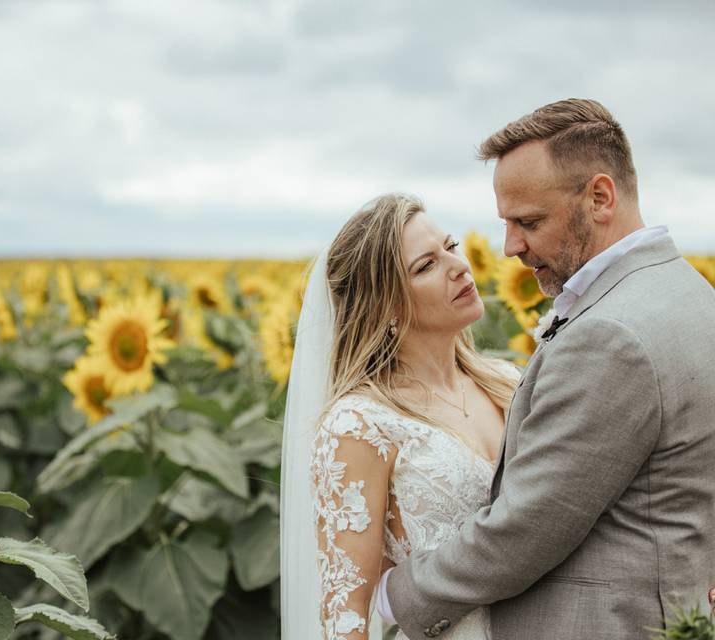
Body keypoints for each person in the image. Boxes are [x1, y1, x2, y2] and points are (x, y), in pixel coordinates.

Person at [376, 99, 715, 639]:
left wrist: (396, 597)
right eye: (506, 222)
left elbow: (529, 527)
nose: (510, 246)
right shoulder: (690, 291)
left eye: (529, 221)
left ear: (600, 197)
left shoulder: (610, 336)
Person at [279, 192, 518, 640]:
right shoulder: (360, 425)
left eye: (450, 247)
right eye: (426, 266)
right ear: (385, 307)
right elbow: (345, 615)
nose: (458, 267)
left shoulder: (509, 383)